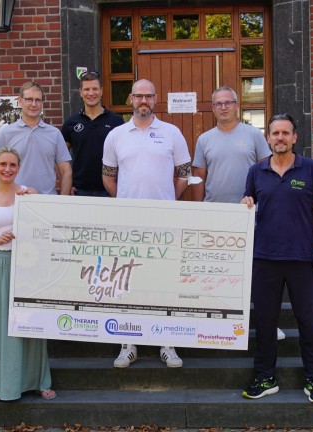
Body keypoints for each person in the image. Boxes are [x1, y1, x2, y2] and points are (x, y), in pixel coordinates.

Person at [240, 113, 313, 403]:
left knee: (308, 322)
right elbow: (249, 204)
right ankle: (265, 377)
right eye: (275, 133)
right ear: (267, 138)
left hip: (302, 259)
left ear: (294, 137)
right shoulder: (256, 171)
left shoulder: (311, 168)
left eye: (285, 133)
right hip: (264, 258)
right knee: (265, 322)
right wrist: (246, 203)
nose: (280, 137)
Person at [101, 79, 192, 368]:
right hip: (127, 221)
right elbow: (108, 176)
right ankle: (128, 343)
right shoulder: (116, 135)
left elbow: (184, 173)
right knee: (128, 279)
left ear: (155, 99)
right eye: (139, 96)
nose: (143, 101)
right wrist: (125, 202)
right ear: (131, 99)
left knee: (164, 280)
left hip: (164, 220)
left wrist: (168, 200)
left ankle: (167, 342)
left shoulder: (171, 132)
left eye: (148, 96)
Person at [190, 86, 285, 341]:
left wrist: (266, 207)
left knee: (256, 273)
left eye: (228, 102)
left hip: (250, 215)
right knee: (217, 273)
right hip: (215, 216)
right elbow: (199, 177)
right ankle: (218, 325)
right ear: (213, 108)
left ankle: (267, 323)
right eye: (218, 103)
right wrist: (198, 211)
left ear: (236, 105)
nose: (223, 107)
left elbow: (268, 172)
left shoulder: (253, 135)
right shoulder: (205, 139)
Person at [0, 147, 56, 404]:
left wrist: (35, 202)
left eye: (12, 165)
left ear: (18, 167)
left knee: (31, 322)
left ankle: (38, 381)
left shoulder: (28, 193)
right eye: (3, 164)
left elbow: (46, 227)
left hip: (27, 265)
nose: (7, 169)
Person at [0, 82, 72, 195]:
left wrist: (62, 200)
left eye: (38, 100)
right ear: (20, 101)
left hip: (47, 201)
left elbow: (65, 171)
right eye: (29, 99)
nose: (34, 104)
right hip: (15, 200)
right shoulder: (6, 133)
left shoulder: (54, 134)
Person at [61, 70, 125, 196]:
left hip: (110, 191)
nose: (91, 93)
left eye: (95, 89)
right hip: (79, 191)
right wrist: (67, 184)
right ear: (81, 92)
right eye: (86, 89)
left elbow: (125, 155)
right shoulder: (71, 123)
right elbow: (61, 158)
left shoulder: (116, 121)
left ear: (101, 91)